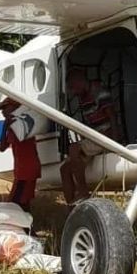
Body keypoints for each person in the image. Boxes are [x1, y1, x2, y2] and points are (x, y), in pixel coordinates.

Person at [59, 68, 121, 206]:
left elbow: (112, 116)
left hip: (105, 136)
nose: (73, 91)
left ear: (80, 81)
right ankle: (72, 209)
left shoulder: (99, 92)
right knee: (64, 169)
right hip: (94, 138)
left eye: (73, 87)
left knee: (74, 148)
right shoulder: (83, 99)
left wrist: (114, 143)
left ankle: (83, 192)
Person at [0, 98, 41, 213]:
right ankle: (28, 229)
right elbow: (2, 147)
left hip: (27, 171)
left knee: (15, 204)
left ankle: (27, 229)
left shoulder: (22, 125)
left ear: (15, 108)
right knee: (22, 203)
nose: (3, 112)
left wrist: (8, 126)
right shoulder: (13, 127)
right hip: (22, 172)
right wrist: (5, 127)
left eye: (5, 108)